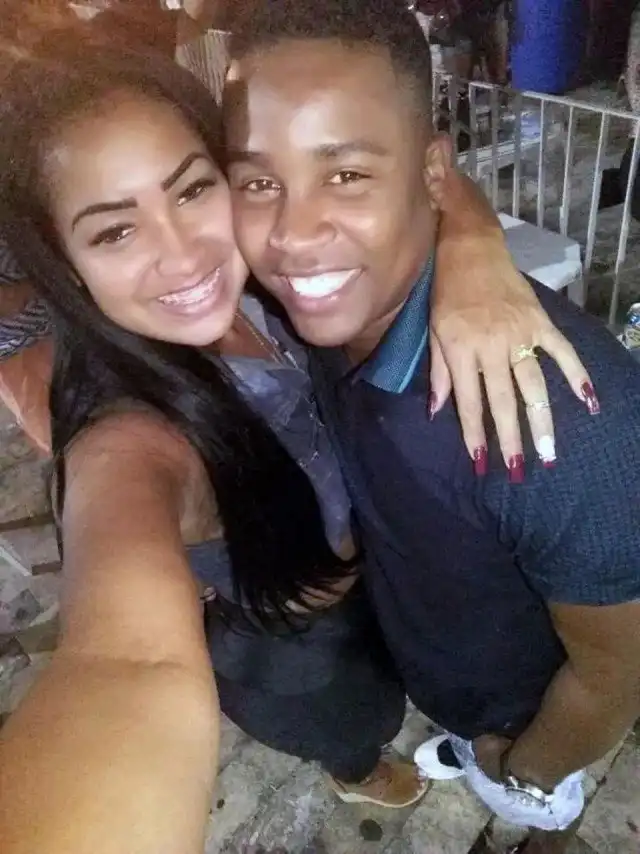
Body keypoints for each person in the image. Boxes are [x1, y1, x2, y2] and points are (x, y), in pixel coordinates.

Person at [0, 33, 594, 854]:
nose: (183, 254)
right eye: (114, 233)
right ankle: (357, 772)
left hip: (386, 583)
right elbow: (124, 668)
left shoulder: (269, 276)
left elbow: (420, 175)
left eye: (191, 190)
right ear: (66, 267)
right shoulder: (129, 442)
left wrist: (472, 243)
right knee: (357, 729)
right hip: (302, 656)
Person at [224, 2, 640, 853]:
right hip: (433, 655)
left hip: (521, 711)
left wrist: (524, 767)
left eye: (346, 174)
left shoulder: (566, 422)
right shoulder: (315, 314)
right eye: (260, 183)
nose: (293, 234)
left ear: (433, 173)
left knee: (537, 807)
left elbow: (613, 677)